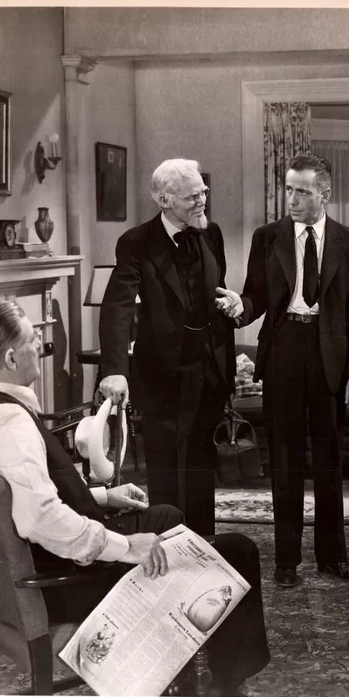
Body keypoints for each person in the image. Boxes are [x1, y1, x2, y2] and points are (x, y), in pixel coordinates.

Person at [0, 301, 270, 691]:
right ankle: (223, 684)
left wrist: (103, 498)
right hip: (58, 583)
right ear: (11, 358)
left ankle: (172, 669)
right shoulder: (11, 422)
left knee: (166, 515)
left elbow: (11, 502)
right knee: (238, 550)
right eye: (32, 339)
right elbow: (39, 519)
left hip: (7, 580)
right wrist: (127, 546)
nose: (39, 344)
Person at [215, 153, 349, 588]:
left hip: (329, 355)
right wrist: (240, 307)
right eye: (289, 189)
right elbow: (256, 296)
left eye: (303, 191)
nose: (293, 199)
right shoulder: (268, 237)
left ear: (325, 194)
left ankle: (333, 557)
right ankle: (286, 560)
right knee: (284, 460)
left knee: (329, 460)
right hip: (284, 349)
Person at [99, 158, 235, 536]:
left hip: (208, 368)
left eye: (203, 192)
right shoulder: (136, 242)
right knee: (164, 467)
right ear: (164, 200)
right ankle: (168, 543)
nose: (202, 201)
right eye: (192, 197)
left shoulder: (211, 233)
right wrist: (115, 370)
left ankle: (204, 543)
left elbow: (216, 289)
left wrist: (231, 304)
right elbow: (117, 307)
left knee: (200, 462)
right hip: (161, 373)